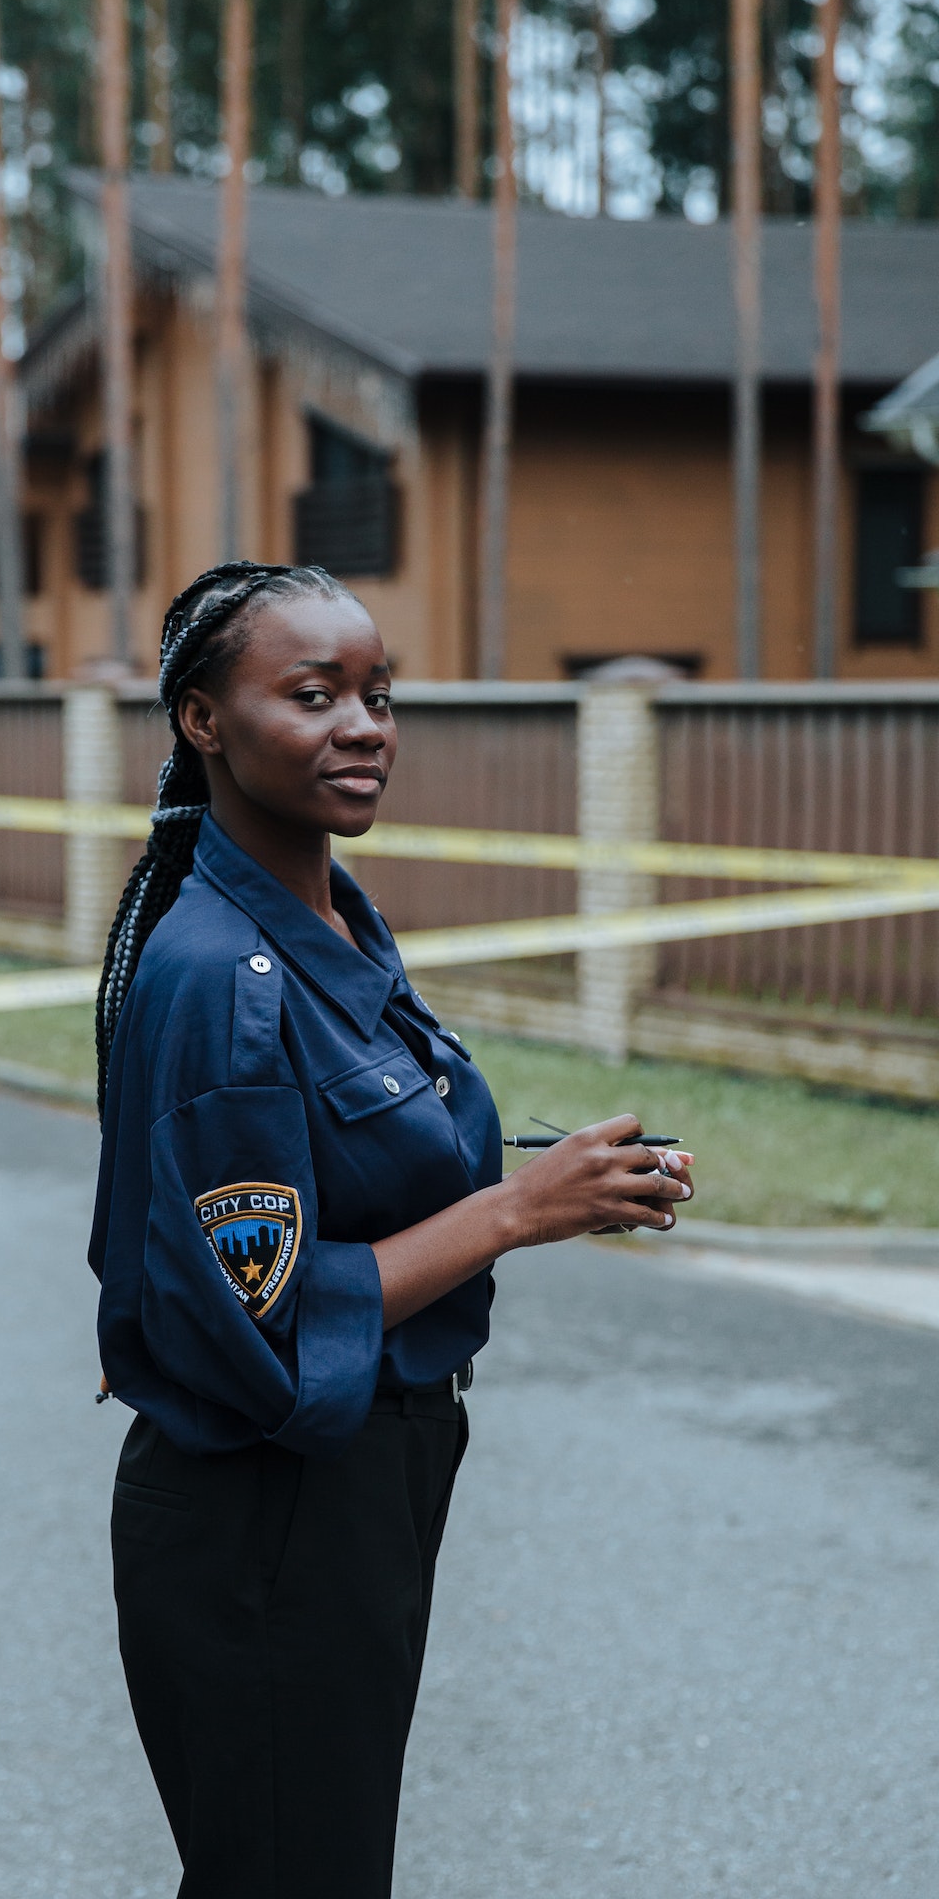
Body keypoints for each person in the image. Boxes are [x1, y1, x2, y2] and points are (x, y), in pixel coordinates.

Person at [88, 560, 694, 1899]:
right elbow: (264, 1317)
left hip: (362, 1484)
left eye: (377, 693)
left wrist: (562, 1178)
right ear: (203, 720)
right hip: (272, 1509)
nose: (365, 725)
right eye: (313, 695)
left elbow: (341, 1162)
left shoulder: (327, 916)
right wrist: (510, 1215)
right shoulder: (222, 975)